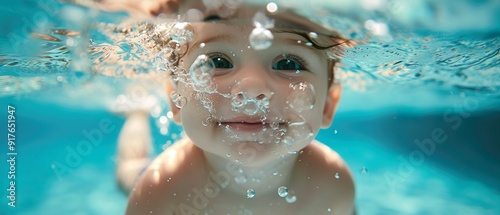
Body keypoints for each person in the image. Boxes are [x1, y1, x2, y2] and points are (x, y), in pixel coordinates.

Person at [105, 1, 356, 214]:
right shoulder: (159, 192)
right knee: (129, 170)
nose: (250, 90)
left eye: (288, 64)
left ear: (327, 105)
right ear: (175, 99)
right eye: (217, 61)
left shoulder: (334, 185)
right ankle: (137, 115)